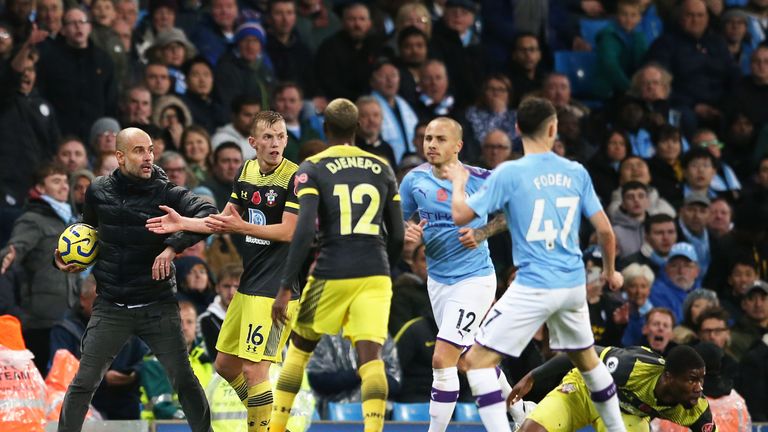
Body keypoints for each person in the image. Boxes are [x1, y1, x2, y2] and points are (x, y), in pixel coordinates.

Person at [444, 97, 625, 432]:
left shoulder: (510, 172)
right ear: (553, 129)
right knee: (588, 362)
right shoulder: (575, 171)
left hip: (534, 285)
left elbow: (460, 215)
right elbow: (605, 232)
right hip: (572, 285)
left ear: (516, 129)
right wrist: (610, 272)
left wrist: (458, 182)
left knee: (475, 363)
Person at [146, 111, 302, 432]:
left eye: (281, 136)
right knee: (225, 365)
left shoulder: (296, 178)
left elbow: (289, 231)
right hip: (249, 285)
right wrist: (184, 223)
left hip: (277, 289)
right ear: (253, 142)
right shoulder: (246, 171)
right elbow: (222, 220)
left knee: (255, 371)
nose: (276, 143)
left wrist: (242, 226)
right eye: (269, 137)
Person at [53, 127, 217, 432]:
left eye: (151, 149)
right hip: (111, 305)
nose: (148, 157)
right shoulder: (98, 191)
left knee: (183, 378)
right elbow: (86, 233)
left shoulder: (167, 192)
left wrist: (172, 246)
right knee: (84, 381)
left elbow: (209, 215)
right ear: (120, 157)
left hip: (158, 305)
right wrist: (63, 258)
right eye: (139, 150)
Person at [269, 98, 405, 432]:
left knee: (299, 350)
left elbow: (303, 231)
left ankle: (274, 428)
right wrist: (387, 265)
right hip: (376, 272)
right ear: (357, 128)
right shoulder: (382, 167)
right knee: (371, 358)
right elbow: (399, 234)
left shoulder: (312, 168)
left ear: (326, 129)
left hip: (331, 271)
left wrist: (286, 287)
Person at [399, 116, 511, 431]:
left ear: (458, 146)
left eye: (440, 139)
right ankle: (519, 408)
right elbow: (400, 226)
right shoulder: (413, 180)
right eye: (428, 138)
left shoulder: (480, 178)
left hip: (475, 279)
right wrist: (408, 238)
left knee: (442, 360)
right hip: (437, 280)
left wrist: (484, 231)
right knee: (473, 353)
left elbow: (513, 212)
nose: (431, 144)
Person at [510, 345, 717, 432]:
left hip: (627, 415)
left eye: (701, 380)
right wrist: (533, 376)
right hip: (585, 391)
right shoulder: (632, 367)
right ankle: (529, 414)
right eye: (692, 380)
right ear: (669, 378)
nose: (698, 388)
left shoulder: (697, 411)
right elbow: (582, 353)